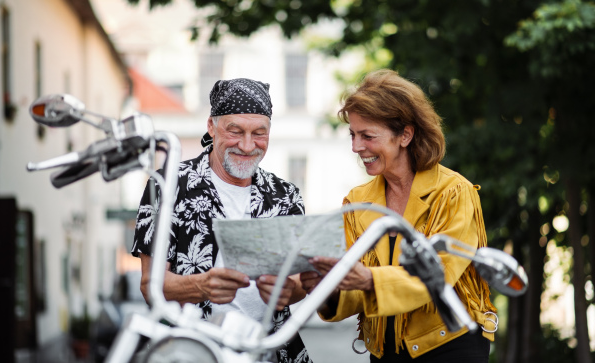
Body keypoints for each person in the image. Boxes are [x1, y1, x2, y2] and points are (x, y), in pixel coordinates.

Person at [300, 69, 497, 362]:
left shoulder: (454, 192)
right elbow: (358, 288)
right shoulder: (357, 201)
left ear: (405, 134)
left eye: (367, 136)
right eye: (353, 135)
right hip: (385, 353)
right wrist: (327, 289)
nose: (356, 147)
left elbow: (437, 277)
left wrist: (366, 278)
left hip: (450, 348)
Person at [131, 78, 311, 363]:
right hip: (192, 351)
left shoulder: (285, 195)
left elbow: (301, 283)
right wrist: (202, 285)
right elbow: (150, 285)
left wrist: (290, 291)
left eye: (259, 133)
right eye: (235, 131)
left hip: (269, 351)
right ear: (212, 127)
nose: (248, 145)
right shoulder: (167, 184)